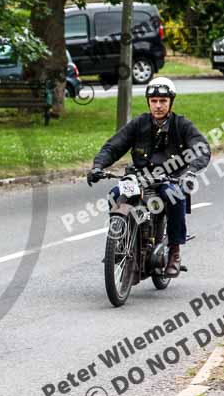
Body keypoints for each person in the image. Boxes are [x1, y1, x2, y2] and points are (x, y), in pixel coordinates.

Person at [87, 77, 211, 277]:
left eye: (163, 101)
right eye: (154, 101)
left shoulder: (182, 125)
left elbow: (201, 149)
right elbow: (114, 146)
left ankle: (174, 252)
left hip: (169, 178)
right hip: (139, 178)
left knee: (175, 196)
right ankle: (120, 243)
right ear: (148, 102)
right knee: (114, 193)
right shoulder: (139, 124)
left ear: (171, 101)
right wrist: (98, 166)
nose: (158, 105)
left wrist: (190, 172)